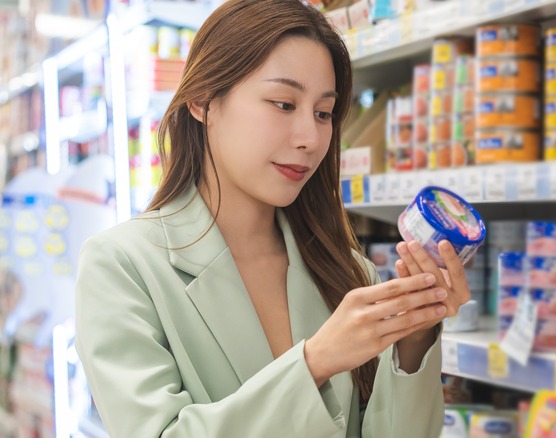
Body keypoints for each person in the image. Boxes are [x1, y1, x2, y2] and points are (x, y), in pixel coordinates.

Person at [74, 0, 472, 436]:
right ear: (203, 100)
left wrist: (415, 337)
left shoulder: (346, 271)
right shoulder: (122, 266)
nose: (310, 138)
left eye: (323, 113)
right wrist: (314, 362)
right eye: (283, 104)